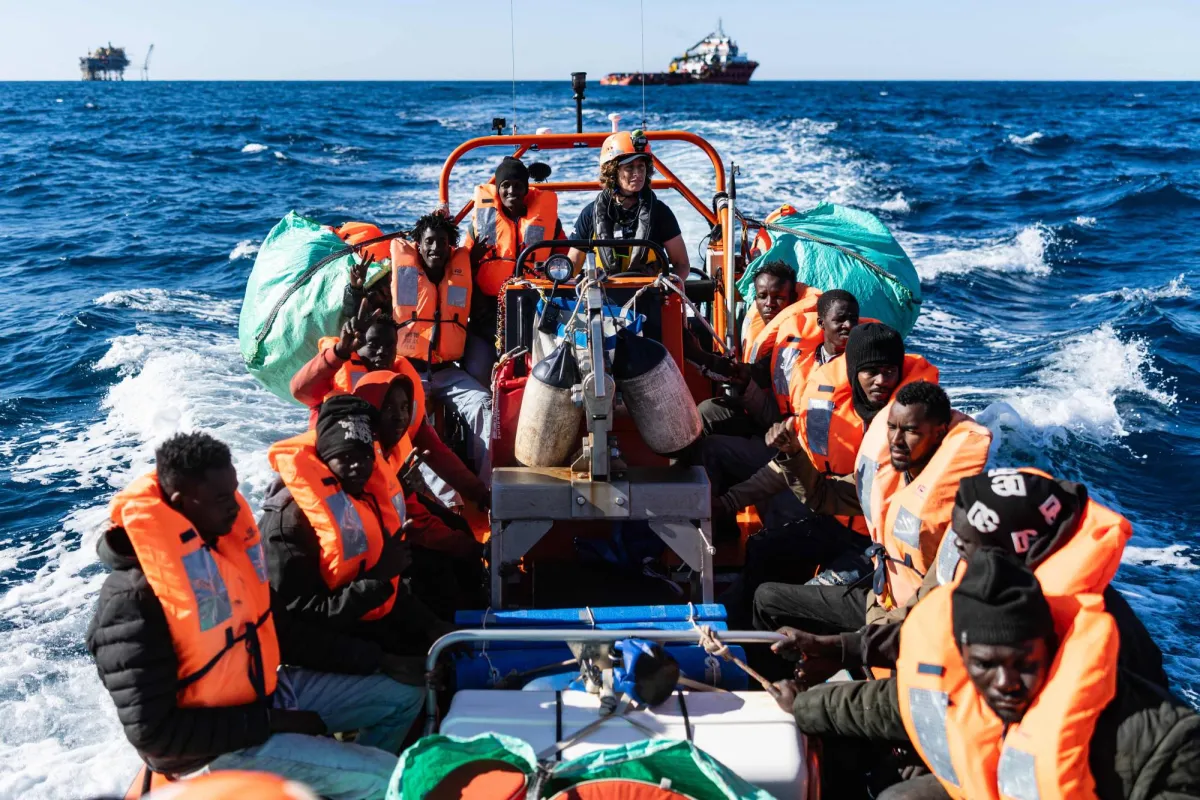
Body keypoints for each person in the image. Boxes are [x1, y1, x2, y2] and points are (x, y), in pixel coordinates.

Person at [87, 432, 423, 799]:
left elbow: (284, 633)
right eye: (221, 498)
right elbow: (154, 736)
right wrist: (273, 723)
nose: (235, 506)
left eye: (234, 492)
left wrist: (380, 661)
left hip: (264, 698)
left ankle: (343, 785)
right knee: (387, 777)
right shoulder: (131, 602)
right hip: (211, 752)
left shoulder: (225, 555)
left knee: (405, 695)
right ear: (182, 504)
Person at [882, 550, 1200, 800]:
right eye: (985, 665)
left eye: (1024, 664)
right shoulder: (952, 688)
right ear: (963, 661)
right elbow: (881, 706)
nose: (1006, 683)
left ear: (1049, 649)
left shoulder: (1159, 739)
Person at [743, 381, 990, 646]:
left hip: (907, 626)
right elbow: (824, 496)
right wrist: (793, 452)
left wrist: (836, 646)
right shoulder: (890, 478)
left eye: (910, 431)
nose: (896, 441)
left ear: (939, 433)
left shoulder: (959, 512)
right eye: (892, 427)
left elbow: (928, 605)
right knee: (767, 597)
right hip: (880, 598)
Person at [261, 395, 451, 657]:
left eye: (364, 456)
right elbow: (298, 623)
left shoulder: (362, 498)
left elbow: (389, 585)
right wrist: (381, 661)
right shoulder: (288, 525)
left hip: (361, 623)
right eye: (346, 457)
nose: (358, 466)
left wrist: (431, 625)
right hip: (314, 651)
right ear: (325, 460)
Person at [704, 322, 937, 534]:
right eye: (871, 371)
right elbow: (790, 465)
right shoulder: (828, 405)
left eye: (890, 371)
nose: (881, 381)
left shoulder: (913, 427)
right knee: (764, 546)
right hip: (827, 506)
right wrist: (729, 502)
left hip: (872, 532)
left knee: (783, 513)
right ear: (854, 371)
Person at [289, 308, 488, 511]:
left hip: (387, 492)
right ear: (358, 345)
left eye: (389, 345)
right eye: (373, 344)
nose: (382, 352)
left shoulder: (401, 389)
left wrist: (480, 494)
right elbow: (299, 390)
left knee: (454, 527)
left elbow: (436, 451)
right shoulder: (331, 377)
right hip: (334, 492)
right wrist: (339, 352)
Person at [352, 370, 485, 616]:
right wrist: (469, 548)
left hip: (398, 521)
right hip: (370, 552)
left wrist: (481, 495)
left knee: (458, 526)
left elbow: (414, 503)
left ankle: (478, 607)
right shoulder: (361, 460)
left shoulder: (392, 444)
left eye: (405, 408)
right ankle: (451, 625)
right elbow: (414, 524)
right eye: (388, 408)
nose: (400, 417)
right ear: (369, 412)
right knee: (438, 566)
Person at [390, 211, 493, 486]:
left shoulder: (462, 274)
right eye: (429, 242)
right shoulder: (400, 275)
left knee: (484, 404)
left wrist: (473, 265)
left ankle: (486, 487)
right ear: (418, 245)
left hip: (447, 372)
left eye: (442, 242)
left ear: (450, 246)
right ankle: (443, 497)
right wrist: (354, 290)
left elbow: (481, 312)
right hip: (411, 372)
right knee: (415, 419)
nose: (436, 248)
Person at [462, 156, 564, 386]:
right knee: (478, 371)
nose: (511, 191)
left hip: (535, 309)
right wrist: (472, 258)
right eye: (505, 185)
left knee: (541, 373)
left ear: (526, 188)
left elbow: (564, 257)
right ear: (498, 189)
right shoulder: (480, 223)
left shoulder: (549, 222)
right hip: (487, 313)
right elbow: (461, 266)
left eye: (518, 185)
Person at [566, 130, 689, 278]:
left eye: (641, 166)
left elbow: (681, 264)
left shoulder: (660, 212)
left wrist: (670, 286)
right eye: (629, 167)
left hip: (648, 290)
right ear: (612, 172)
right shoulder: (590, 213)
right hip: (602, 290)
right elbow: (573, 263)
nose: (637, 173)